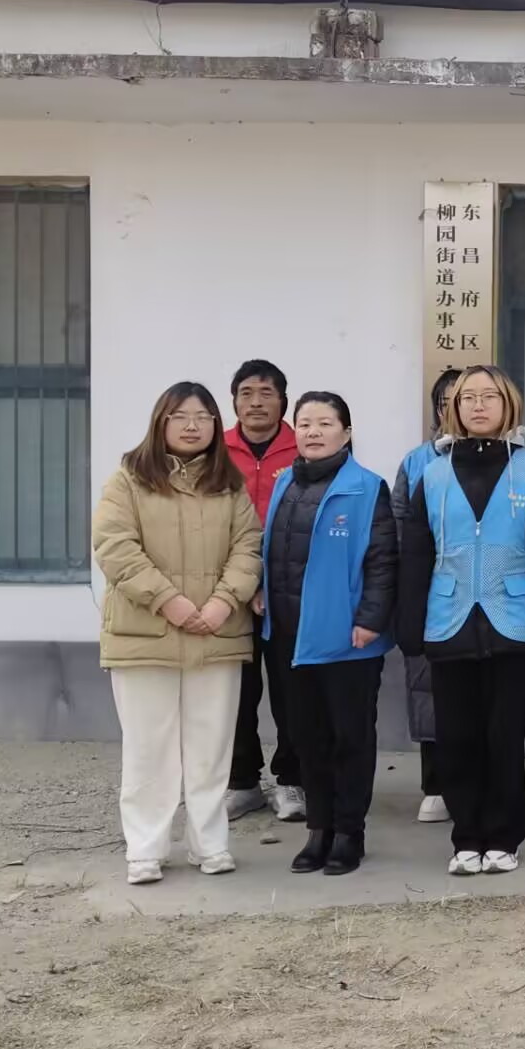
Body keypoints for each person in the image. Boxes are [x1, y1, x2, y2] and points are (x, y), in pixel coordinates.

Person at [397, 365, 525, 876]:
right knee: (456, 737)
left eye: (488, 396)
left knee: (504, 737)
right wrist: (409, 625)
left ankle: (504, 836)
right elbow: (416, 554)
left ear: (507, 405)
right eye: (467, 397)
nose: (477, 404)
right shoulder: (432, 474)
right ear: (453, 409)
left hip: (511, 620)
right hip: (448, 619)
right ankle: (466, 838)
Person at [92, 382, 263, 885]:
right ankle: (146, 849)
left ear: (215, 425)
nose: (192, 426)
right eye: (181, 416)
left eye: (203, 417)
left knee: (211, 748)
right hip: (145, 635)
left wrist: (222, 602)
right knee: (150, 749)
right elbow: (115, 546)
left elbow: (248, 546)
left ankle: (210, 843)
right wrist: (170, 601)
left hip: (217, 632)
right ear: (160, 422)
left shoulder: (229, 484)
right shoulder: (129, 479)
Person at [255, 392, 397, 876]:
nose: (313, 432)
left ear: (347, 432)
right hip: (291, 637)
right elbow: (272, 548)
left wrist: (371, 619)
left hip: (348, 639)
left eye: (325, 423)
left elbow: (383, 559)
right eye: (304, 423)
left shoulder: (366, 488)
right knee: (306, 737)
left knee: (349, 739)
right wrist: (260, 589)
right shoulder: (284, 483)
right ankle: (318, 829)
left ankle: (348, 832)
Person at [222, 359, 302, 822]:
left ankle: (292, 780)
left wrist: (270, 584)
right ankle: (242, 782)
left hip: (288, 593)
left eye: (266, 393)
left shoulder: (304, 447)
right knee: (235, 691)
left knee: (292, 691)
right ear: (234, 401)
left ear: (283, 402)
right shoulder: (215, 450)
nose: (256, 402)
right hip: (229, 594)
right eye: (246, 393)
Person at [394, 369, 460, 825]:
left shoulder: (516, 460)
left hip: (487, 597)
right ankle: (435, 784)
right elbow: (399, 529)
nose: (460, 408)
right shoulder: (416, 462)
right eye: (448, 401)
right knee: (428, 689)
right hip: (431, 592)